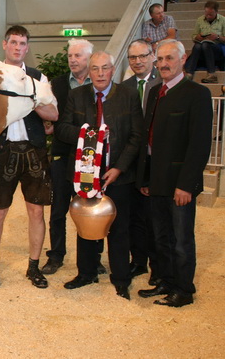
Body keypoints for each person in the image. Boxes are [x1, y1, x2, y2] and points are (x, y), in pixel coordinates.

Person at [56, 51, 143, 300]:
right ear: (89, 71)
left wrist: (119, 168)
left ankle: (121, 278)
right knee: (86, 225)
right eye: (95, 68)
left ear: (113, 70)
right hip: (85, 174)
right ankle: (86, 273)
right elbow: (62, 128)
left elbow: (136, 136)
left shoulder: (127, 95)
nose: (100, 73)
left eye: (105, 68)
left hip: (118, 173)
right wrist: (87, 137)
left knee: (119, 228)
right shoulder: (76, 95)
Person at [136, 39, 212, 307]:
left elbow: (200, 144)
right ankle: (166, 282)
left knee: (181, 240)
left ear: (183, 59)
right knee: (161, 238)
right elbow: (148, 139)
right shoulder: (155, 92)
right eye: (160, 59)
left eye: (169, 58)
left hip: (180, 184)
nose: (164, 64)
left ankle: (184, 290)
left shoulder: (197, 94)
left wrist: (186, 185)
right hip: (155, 181)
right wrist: (145, 178)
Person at [0, 26, 58, 290]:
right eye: (13, 42)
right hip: (3, 152)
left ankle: (34, 267)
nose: (18, 47)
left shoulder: (38, 77)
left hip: (34, 151)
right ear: (4, 45)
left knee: (36, 212)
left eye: (22, 43)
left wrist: (30, 96)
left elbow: (53, 114)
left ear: (27, 48)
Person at [42, 39, 94, 275]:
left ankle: (93, 257)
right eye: (70, 56)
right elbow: (49, 113)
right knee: (58, 210)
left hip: (90, 159)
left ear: (89, 59)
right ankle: (56, 255)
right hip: (63, 154)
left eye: (78, 56)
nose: (73, 59)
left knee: (88, 208)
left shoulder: (98, 84)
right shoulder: (59, 84)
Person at [122, 39, 161, 285]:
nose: (138, 61)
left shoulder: (163, 83)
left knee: (154, 218)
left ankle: (158, 266)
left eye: (142, 56)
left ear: (152, 56)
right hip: (131, 163)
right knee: (134, 216)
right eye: (133, 58)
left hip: (156, 162)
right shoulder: (124, 88)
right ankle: (138, 261)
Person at [184, 0, 225, 83]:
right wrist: (197, 37)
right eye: (206, 14)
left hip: (217, 48)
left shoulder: (223, 20)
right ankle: (189, 73)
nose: (208, 16)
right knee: (198, 46)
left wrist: (217, 36)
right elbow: (194, 36)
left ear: (216, 12)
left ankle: (212, 74)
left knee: (205, 45)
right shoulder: (200, 20)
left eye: (211, 14)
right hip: (202, 47)